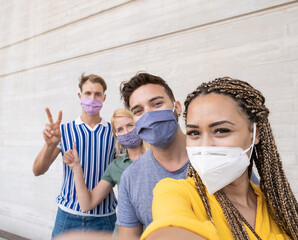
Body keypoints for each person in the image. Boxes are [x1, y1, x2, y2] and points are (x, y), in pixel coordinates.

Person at [141, 77, 298, 240]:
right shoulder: (177, 193)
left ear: (254, 133)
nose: (205, 145)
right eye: (194, 133)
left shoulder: (279, 207)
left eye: (221, 130)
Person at [33, 73, 117, 238]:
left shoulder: (114, 133)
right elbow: (38, 170)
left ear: (104, 98)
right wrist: (49, 145)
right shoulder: (64, 130)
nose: (92, 98)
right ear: (80, 96)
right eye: (87, 93)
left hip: (104, 219)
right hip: (67, 217)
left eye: (97, 94)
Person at [116, 72, 190, 238]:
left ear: (177, 107)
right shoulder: (130, 178)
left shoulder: (215, 157)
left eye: (156, 104)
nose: (148, 115)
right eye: (138, 110)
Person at [62, 108, 150, 217]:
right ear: (116, 135)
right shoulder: (116, 166)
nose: (126, 132)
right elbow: (86, 205)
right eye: (120, 129)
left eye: (130, 125)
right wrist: (76, 167)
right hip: (124, 232)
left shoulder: (157, 156)